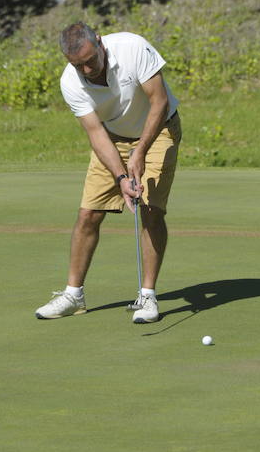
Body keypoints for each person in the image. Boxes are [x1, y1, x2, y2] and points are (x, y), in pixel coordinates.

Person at [35, 22, 182, 323]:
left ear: (100, 42)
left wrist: (140, 152)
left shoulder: (132, 48)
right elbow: (95, 133)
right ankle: (73, 295)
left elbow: (159, 101)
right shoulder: (70, 82)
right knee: (88, 213)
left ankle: (148, 297)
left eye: (90, 61)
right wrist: (120, 176)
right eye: (78, 65)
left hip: (158, 128)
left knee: (150, 209)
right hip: (112, 137)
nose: (87, 70)